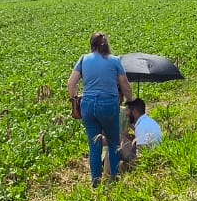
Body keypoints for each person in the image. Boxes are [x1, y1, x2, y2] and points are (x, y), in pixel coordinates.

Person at [67, 31, 133, 185]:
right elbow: (125, 84)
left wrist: (75, 99)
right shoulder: (115, 60)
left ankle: (96, 182)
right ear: (107, 45)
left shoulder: (83, 59)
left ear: (91, 46)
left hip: (88, 106)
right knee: (113, 142)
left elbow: (71, 84)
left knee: (94, 145)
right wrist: (130, 101)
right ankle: (114, 178)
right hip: (109, 105)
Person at [119, 98, 162, 171]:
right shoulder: (149, 121)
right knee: (122, 137)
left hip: (146, 161)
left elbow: (141, 153)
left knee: (118, 138)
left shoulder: (141, 126)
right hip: (154, 154)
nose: (126, 114)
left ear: (135, 112)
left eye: (127, 110)